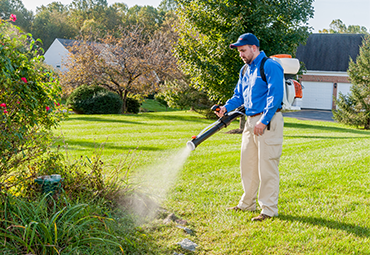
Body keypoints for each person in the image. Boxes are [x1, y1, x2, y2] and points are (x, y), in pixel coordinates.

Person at [215, 33, 284, 221]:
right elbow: (239, 95)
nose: (241, 55)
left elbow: (275, 95)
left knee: (267, 166)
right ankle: (247, 204)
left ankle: (268, 210)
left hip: (268, 120)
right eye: (239, 52)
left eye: (243, 50)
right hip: (250, 121)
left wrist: (265, 120)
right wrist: (225, 108)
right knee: (248, 165)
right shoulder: (245, 70)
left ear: (254, 48)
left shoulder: (269, 65)